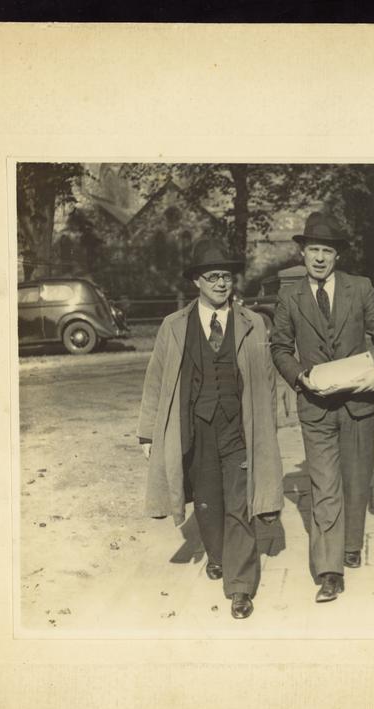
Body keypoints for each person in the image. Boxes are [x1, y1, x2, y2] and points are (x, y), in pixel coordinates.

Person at [137, 237, 283, 620]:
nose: (221, 283)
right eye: (213, 276)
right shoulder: (174, 327)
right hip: (196, 429)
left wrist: (268, 429)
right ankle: (216, 555)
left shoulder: (252, 323)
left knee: (241, 505)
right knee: (207, 503)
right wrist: (148, 433)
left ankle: (239, 586)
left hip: (240, 430)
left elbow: (266, 379)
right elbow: (156, 380)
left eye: (227, 276)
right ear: (196, 282)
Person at [270, 212, 374, 603]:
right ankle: (329, 571)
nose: (320, 258)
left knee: (356, 483)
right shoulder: (290, 296)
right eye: (313, 251)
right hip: (316, 407)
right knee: (325, 486)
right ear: (303, 253)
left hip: (359, 403)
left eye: (327, 251)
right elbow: (279, 347)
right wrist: (299, 377)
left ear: (336, 255)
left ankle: (351, 544)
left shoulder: (360, 289)